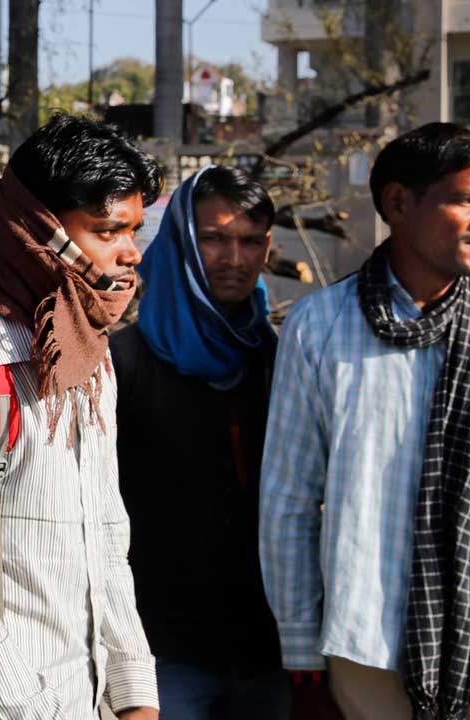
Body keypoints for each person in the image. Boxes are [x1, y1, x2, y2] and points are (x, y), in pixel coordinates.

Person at [259, 122, 470, 720]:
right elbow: (288, 502)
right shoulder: (320, 329)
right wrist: (303, 661)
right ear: (399, 204)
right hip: (364, 654)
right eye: (467, 199)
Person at [0, 113, 163, 720]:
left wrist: (135, 701)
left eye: (134, 231)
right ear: (39, 232)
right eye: (106, 231)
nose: (129, 254)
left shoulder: (92, 360)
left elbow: (108, 544)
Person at [110, 165, 287, 720]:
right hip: (161, 649)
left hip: (265, 646)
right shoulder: (124, 363)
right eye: (214, 239)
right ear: (184, 242)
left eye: (250, 241)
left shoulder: (277, 359)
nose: (234, 259)